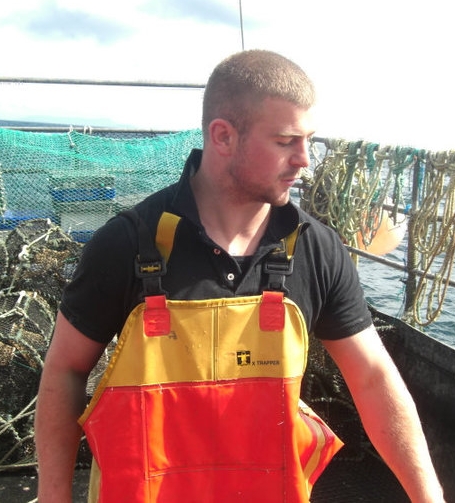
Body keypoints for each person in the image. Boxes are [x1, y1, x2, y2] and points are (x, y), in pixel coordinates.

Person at [35, 50, 445, 503]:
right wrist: (55, 496)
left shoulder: (317, 249)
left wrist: (427, 496)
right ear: (223, 136)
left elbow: (372, 378)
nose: (304, 160)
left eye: (308, 140)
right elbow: (66, 369)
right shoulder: (127, 243)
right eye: (285, 141)